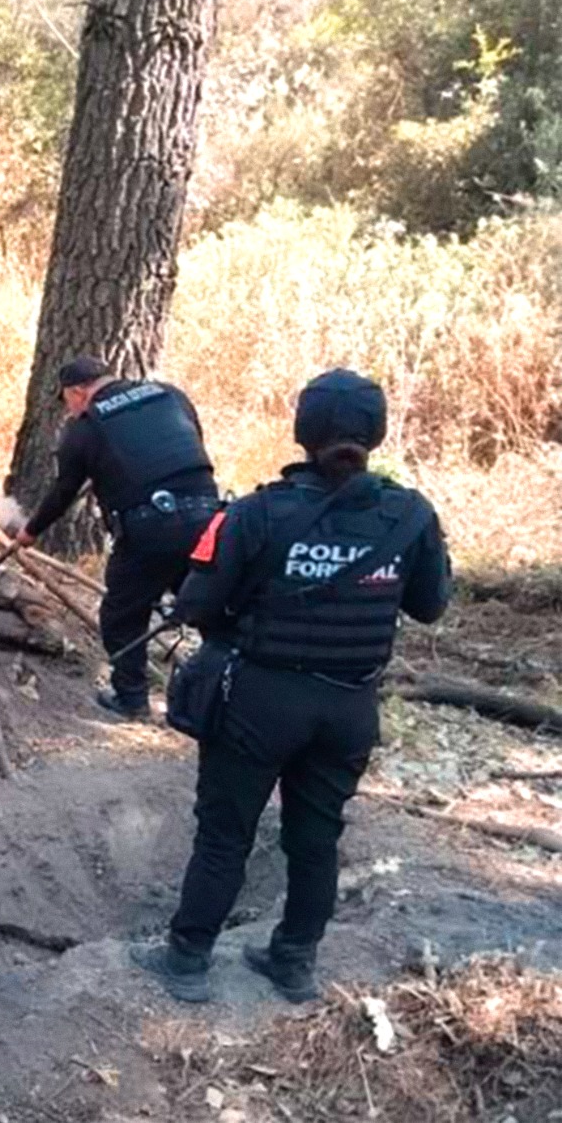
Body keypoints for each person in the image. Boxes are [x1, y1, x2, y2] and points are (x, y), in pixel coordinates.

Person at [131, 368, 452, 1004]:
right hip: (349, 705)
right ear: (377, 433)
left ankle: (188, 958)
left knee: (226, 833)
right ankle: (294, 961)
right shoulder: (410, 516)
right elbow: (430, 606)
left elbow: (198, 603)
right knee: (317, 835)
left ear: (302, 431)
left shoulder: (256, 512)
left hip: (259, 700)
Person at [17, 355, 219, 719]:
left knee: (122, 614)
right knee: (209, 607)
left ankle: (132, 699)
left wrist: (30, 532)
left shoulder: (85, 427)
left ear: (78, 392)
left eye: (66, 400)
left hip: (149, 528)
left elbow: (64, 492)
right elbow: (191, 444)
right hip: (209, 519)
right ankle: (221, 694)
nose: (68, 409)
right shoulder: (169, 395)